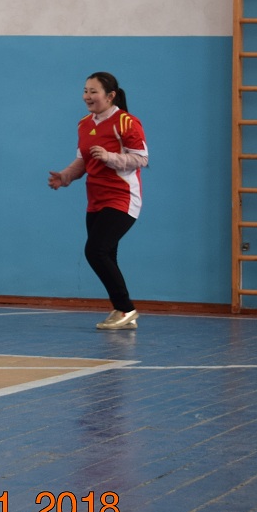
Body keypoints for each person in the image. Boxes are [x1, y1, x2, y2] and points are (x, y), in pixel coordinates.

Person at [48, 72, 148, 331]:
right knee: (107, 254)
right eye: (85, 91)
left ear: (110, 95)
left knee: (95, 251)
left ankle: (126, 308)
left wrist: (110, 157)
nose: (87, 96)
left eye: (93, 91)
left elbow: (141, 158)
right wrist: (66, 176)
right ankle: (122, 310)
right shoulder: (84, 124)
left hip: (122, 197)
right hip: (95, 198)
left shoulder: (126, 122)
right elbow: (83, 159)